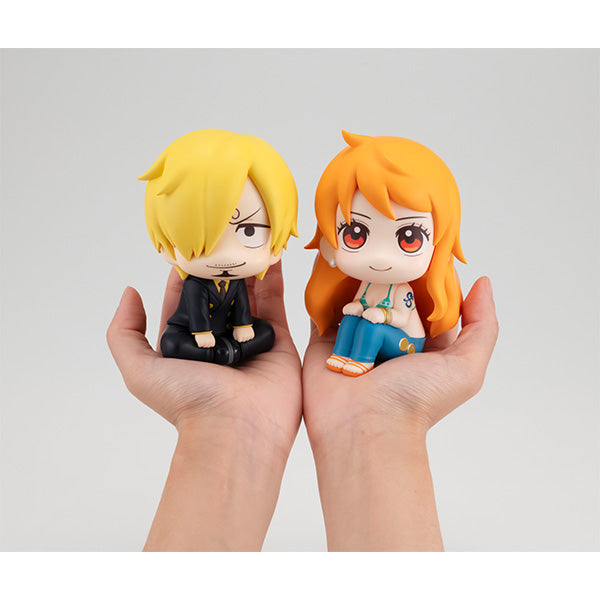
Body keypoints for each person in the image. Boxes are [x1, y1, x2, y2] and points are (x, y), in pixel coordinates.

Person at [107, 261, 498, 551]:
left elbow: (398, 316)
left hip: (400, 342)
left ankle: (354, 359)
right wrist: (221, 421)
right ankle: (342, 356)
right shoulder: (196, 283)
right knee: (351, 323)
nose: (380, 255)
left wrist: (388, 418)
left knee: (364, 326)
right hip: (203, 336)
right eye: (356, 233)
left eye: (408, 238)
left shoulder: (403, 290)